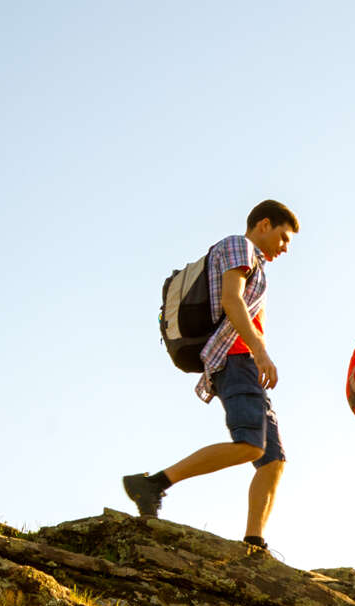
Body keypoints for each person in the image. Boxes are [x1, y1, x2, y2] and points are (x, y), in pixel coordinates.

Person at [121, 199, 299, 552]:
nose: (284, 248)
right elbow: (232, 301)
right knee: (250, 444)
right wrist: (261, 353)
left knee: (273, 458)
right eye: (283, 238)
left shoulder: (256, 264)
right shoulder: (240, 245)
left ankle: (253, 542)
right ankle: (155, 483)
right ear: (264, 224)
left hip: (244, 360)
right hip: (234, 359)